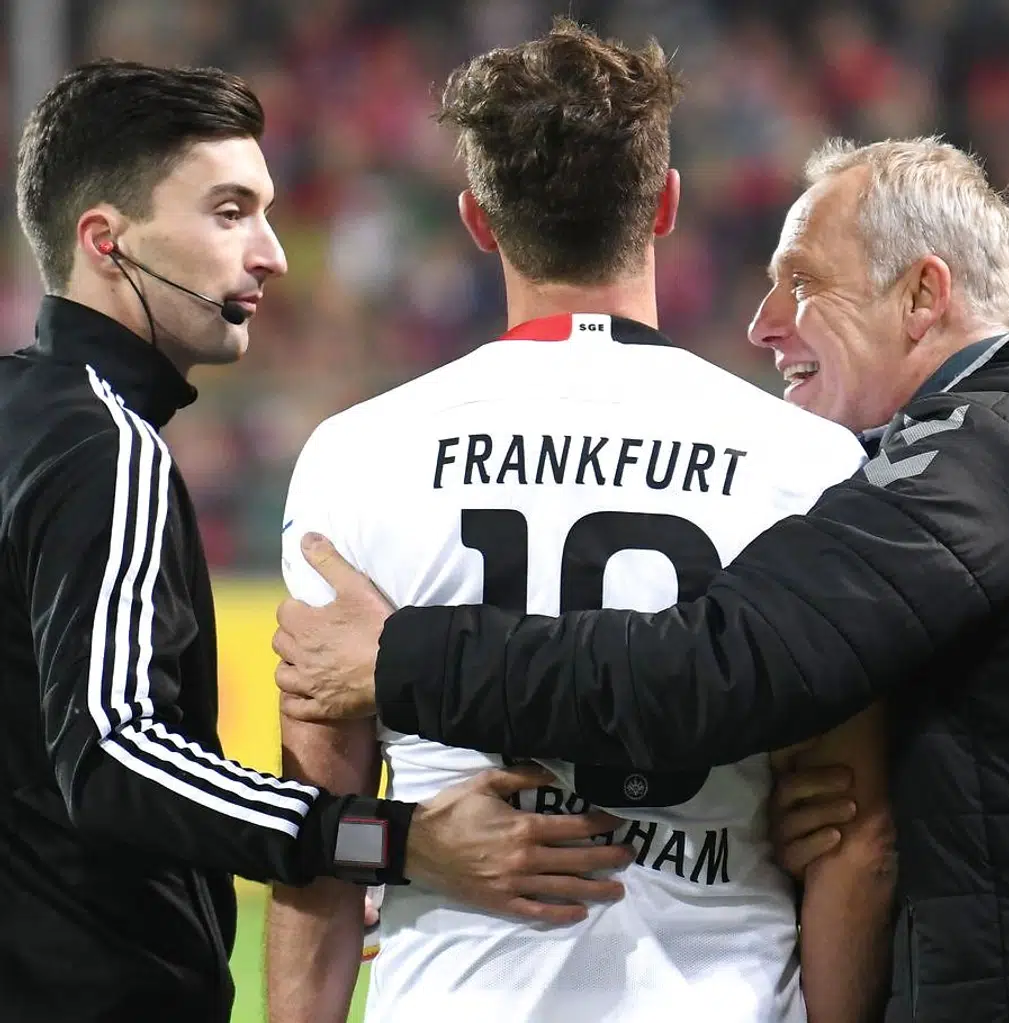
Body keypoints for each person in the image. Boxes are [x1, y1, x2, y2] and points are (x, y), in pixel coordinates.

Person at [276, 134, 1009, 1022]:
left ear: (923, 296)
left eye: (803, 283)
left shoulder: (978, 461)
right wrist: (796, 811)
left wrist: (401, 653)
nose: (762, 324)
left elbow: (712, 673)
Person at [266, 21, 894, 1023]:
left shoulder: (355, 457)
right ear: (668, 206)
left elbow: (317, 833)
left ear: (477, 220)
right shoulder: (807, 465)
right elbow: (857, 839)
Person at [0, 59, 629, 1023]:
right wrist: (392, 838)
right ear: (106, 241)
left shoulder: (22, 417)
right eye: (227, 211)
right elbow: (116, 756)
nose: (271, 252)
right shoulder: (105, 445)